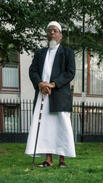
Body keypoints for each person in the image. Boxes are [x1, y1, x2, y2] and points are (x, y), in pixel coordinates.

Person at [25, 21, 76, 168]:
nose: (52, 33)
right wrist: (40, 84)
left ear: (60, 35)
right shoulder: (40, 53)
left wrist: (53, 84)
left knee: (61, 126)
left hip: (60, 95)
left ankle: (61, 159)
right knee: (46, 127)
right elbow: (32, 71)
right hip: (43, 95)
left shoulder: (67, 53)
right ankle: (48, 159)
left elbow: (70, 72)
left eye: (55, 31)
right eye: (49, 31)